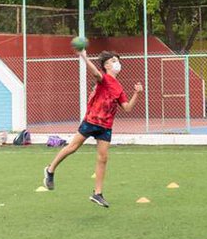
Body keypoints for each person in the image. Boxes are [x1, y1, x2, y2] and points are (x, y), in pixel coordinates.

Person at [42, 50, 142, 208]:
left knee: (103, 158)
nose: (117, 63)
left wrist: (137, 94)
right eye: (114, 61)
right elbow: (95, 73)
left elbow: (127, 107)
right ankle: (50, 169)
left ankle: (98, 193)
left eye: (117, 60)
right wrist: (84, 56)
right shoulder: (104, 78)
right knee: (72, 147)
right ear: (106, 65)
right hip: (92, 120)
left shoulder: (119, 87)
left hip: (106, 126)